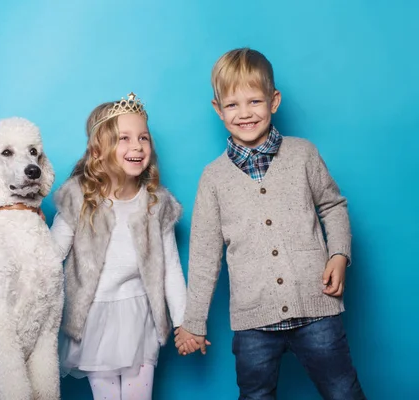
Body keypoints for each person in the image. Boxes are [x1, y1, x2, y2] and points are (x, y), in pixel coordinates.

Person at [175, 48, 366, 399]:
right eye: (232, 105)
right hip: (253, 324)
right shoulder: (213, 178)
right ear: (217, 109)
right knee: (256, 395)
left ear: (274, 101)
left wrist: (339, 254)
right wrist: (194, 323)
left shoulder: (303, 154)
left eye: (254, 101)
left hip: (316, 308)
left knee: (342, 390)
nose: (245, 113)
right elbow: (203, 256)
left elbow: (333, 206)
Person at [51, 93, 187, 400]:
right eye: (124, 138)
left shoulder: (156, 204)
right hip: (93, 319)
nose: (137, 146)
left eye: (143, 138)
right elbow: (51, 256)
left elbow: (170, 270)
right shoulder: (79, 200)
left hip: (140, 317)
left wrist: (183, 323)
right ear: (98, 152)